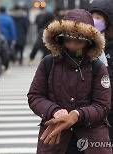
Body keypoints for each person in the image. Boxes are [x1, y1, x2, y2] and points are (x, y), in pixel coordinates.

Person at [27, 9, 112, 153]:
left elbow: (102, 106)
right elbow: (35, 96)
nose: (72, 44)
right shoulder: (48, 63)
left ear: (89, 41)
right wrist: (54, 110)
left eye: (79, 40)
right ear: (59, 38)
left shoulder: (98, 67)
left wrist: (77, 115)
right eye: (67, 39)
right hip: (55, 137)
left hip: (91, 139)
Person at [89, 0, 113, 146]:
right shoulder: (83, 44)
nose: (95, 21)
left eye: (99, 17)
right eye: (92, 16)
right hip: (91, 109)